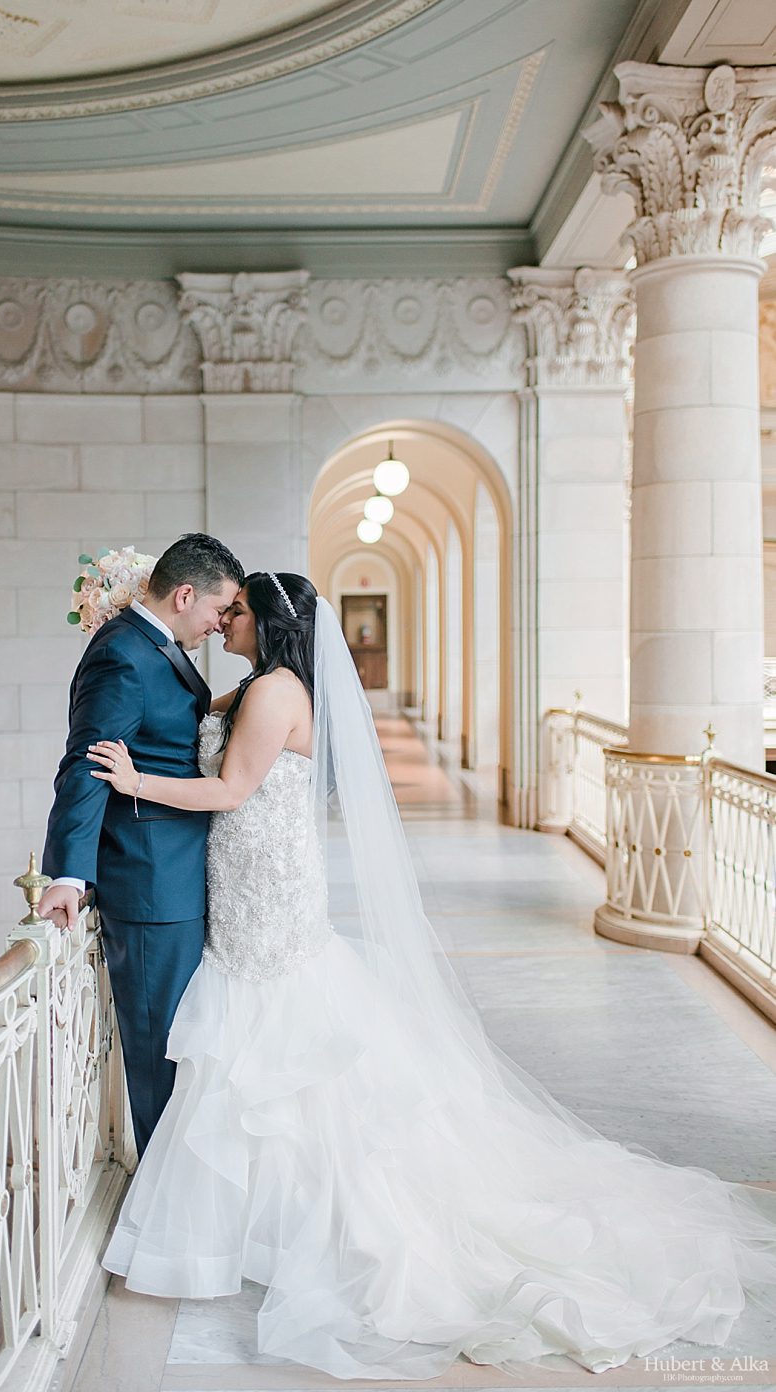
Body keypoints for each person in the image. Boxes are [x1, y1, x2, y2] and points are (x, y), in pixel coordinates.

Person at [87, 572, 776, 1380]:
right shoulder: (255, 687)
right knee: (259, 1052)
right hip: (248, 887)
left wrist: (134, 782)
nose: (224, 619)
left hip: (267, 898)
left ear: (267, 625)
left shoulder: (275, 691)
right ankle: (264, 1219)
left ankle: (297, 1222)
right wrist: (122, 620)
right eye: (222, 606)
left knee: (282, 1047)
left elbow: (234, 788)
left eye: (235, 611)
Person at [38, 532, 243, 1158]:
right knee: (161, 1055)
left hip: (177, 873)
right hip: (150, 884)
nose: (220, 623)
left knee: (184, 1047)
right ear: (185, 595)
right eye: (219, 610)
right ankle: (165, 1209)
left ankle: (179, 1193)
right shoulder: (123, 653)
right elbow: (87, 762)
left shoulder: (155, 643)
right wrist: (68, 875)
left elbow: (180, 719)